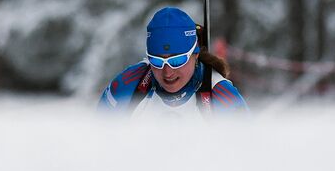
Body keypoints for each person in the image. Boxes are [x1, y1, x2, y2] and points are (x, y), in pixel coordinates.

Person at [98, 7, 248, 118]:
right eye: (157, 61)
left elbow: (248, 153)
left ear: (195, 54)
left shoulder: (221, 96)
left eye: (177, 60)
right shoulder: (127, 87)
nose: (167, 72)